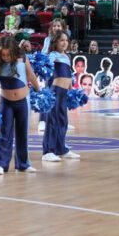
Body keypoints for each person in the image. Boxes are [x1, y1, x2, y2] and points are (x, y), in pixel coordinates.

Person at [0, 36, 40, 174]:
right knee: (5, 132)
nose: (5, 57)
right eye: (2, 54)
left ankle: (23, 164)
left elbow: (31, 75)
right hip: (6, 103)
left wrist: (40, 91)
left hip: (24, 102)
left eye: (8, 54)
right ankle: (0, 164)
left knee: (23, 133)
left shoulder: (23, 57)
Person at [42, 30, 80, 162]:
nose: (64, 43)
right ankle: (48, 151)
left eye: (66, 40)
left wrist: (71, 92)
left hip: (64, 93)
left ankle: (61, 149)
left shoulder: (67, 56)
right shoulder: (53, 55)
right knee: (52, 121)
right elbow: (45, 66)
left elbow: (68, 76)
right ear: (56, 42)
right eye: (61, 40)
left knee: (63, 121)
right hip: (55, 91)